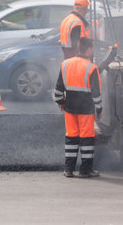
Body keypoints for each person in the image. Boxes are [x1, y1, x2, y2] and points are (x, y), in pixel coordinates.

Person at [54, 37, 102, 178]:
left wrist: (61, 102)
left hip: (69, 108)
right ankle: (85, 170)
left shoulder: (65, 64)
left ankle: (68, 169)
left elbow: (58, 89)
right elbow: (96, 94)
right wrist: (99, 109)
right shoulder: (91, 68)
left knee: (71, 137)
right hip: (86, 109)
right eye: (92, 47)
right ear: (88, 49)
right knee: (87, 139)